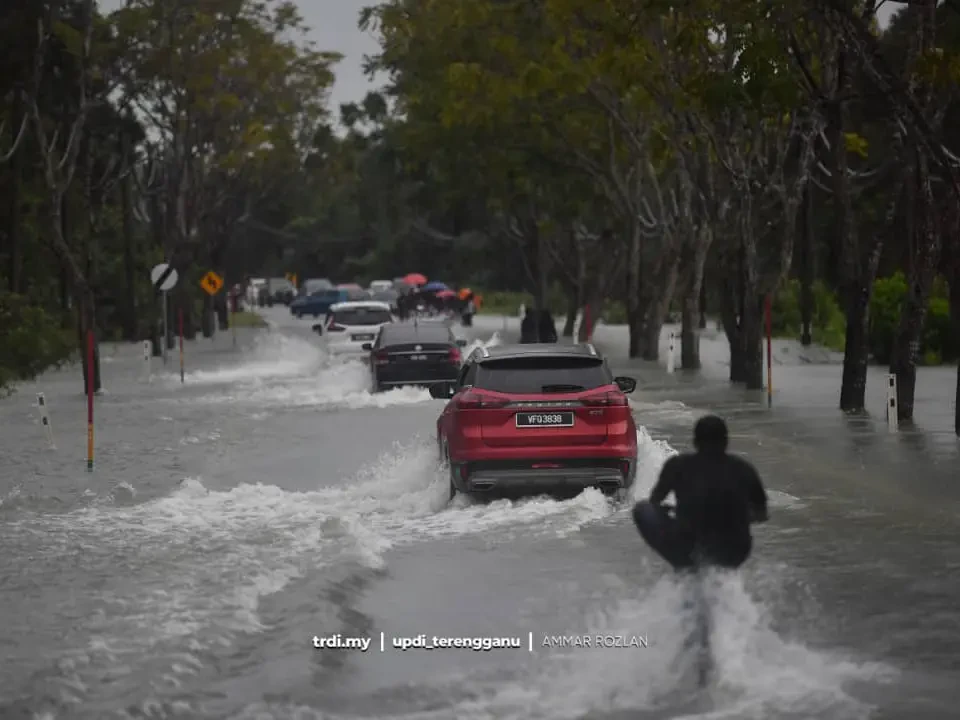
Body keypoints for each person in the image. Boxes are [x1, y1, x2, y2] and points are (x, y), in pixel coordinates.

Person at [633, 415, 768, 572]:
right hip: (734, 550)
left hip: (689, 545)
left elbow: (654, 501)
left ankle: (684, 567)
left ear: (695, 441)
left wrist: (670, 511)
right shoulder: (744, 470)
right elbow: (761, 514)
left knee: (643, 509)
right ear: (725, 441)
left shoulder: (678, 466)